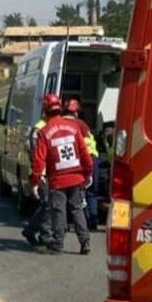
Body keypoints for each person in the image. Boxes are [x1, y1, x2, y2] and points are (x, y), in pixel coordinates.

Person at [31, 94, 93, 255]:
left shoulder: (44, 132)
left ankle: (58, 243)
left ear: (45, 110)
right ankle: (85, 241)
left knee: (59, 211)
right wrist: (88, 172)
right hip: (77, 177)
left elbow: (39, 159)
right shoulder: (73, 127)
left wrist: (35, 180)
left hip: (58, 180)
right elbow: (84, 152)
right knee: (77, 209)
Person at [64, 98, 100, 231]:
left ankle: (69, 223)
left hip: (74, 162)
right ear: (76, 113)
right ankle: (92, 223)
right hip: (91, 160)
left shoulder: (60, 124)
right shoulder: (82, 125)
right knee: (91, 193)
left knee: (71, 193)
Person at [22, 111, 51, 247]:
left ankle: (32, 230)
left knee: (48, 204)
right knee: (46, 204)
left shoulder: (49, 126)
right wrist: (38, 176)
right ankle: (42, 235)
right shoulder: (39, 129)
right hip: (41, 173)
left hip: (49, 172)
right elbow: (37, 155)